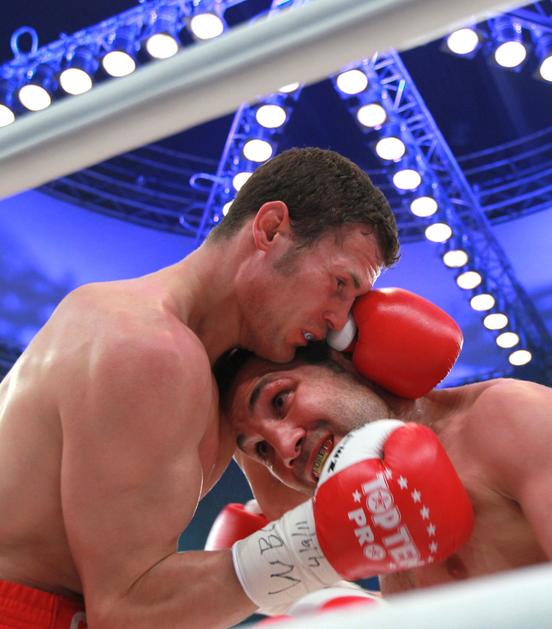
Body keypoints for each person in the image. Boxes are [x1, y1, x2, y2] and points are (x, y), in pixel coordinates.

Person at [0, 147, 401, 628]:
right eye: (339, 284)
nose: (339, 321)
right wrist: (310, 549)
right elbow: (124, 611)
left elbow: (295, 511)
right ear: (271, 229)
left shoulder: (231, 369)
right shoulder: (147, 348)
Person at [215, 344, 552, 604]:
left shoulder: (506, 417)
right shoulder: (374, 514)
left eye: (280, 401)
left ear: (340, 361)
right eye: (263, 449)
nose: (286, 448)